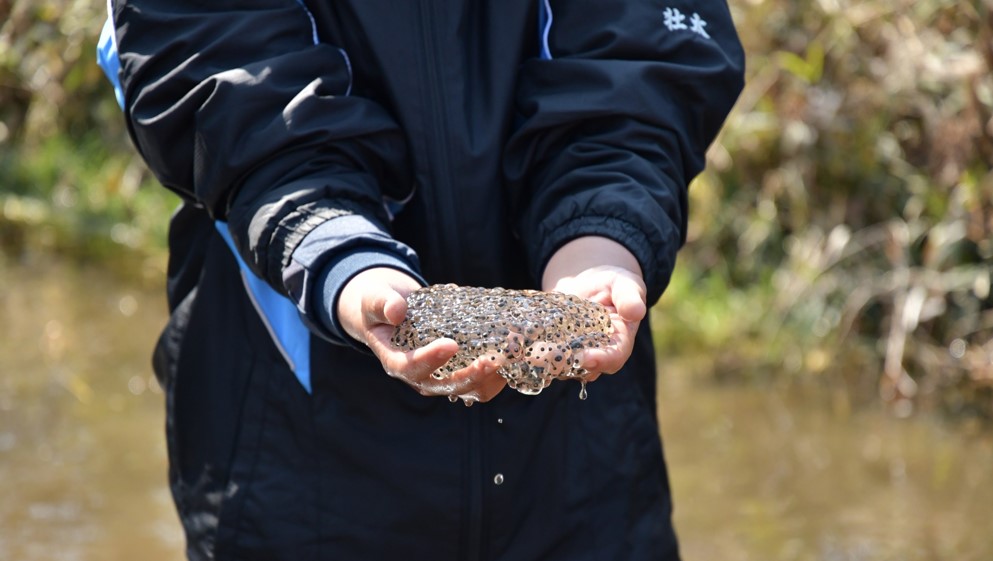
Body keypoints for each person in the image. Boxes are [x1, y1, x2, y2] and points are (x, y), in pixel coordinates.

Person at [99, 1, 744, 559]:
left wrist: (600, 238)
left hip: (584, 456)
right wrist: (344, 260)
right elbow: (216, 67)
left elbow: (636, 62)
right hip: (290, 442)